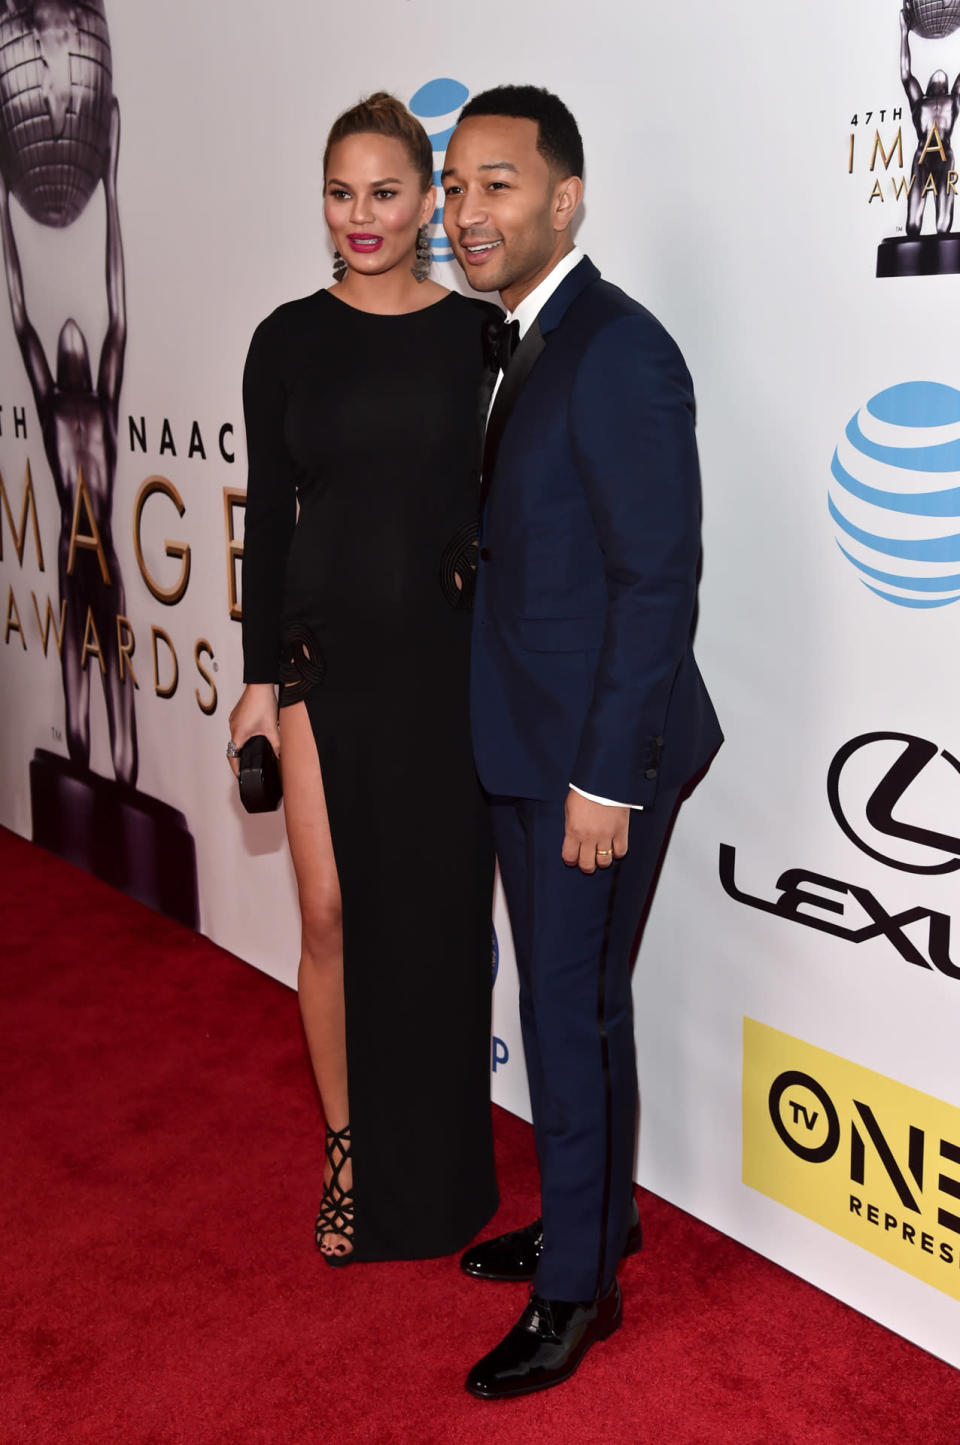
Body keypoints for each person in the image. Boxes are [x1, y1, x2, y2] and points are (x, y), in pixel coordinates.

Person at [441, 85, 722, 1398]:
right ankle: (594, 1220)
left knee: (564, 1003)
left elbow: (659, 581)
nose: (465, 211)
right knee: (569, 1003)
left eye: (497, 183)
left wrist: (605, 776)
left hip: (598, 755)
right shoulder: (508, 343)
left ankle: (576, 1297)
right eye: (454, 187)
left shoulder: (618, 349)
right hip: (524, 736)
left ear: (567, 197)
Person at [229, 92, 499, 1266]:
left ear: (429, 200)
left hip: (444, 669)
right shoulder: (286, 336)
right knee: (332, 916)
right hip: (319, 665)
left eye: (385, 191)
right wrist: (254, 678)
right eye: (341, 194)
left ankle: (443, 1168)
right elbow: (272, 528)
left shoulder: (476, 335)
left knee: (438, 922)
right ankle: (347, 1145)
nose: (362, 217)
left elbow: (501, 509)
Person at [0, 98, 136, 785]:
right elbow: (19, 307)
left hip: (102, 552)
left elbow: (116, 302)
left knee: (119, 704)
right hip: (70, 550)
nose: (70, 331)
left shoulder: (103, 398)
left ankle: (111, 785)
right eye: (63, 339)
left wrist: (111, 185)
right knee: (77, 696)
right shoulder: (54, 395)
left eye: (74, 336)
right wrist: (1, 197)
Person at [900, 4, 960, 237]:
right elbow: (905, 74)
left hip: (945, 158)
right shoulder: (919, 102)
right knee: (912, 225)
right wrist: (904, 32)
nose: (939, 73)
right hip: (922, 158)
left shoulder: (954, 100)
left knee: (944, 226)